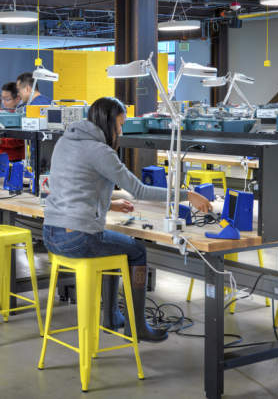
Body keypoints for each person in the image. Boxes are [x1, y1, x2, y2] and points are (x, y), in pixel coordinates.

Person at [42, 97, 211, 342]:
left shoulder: (64, 142)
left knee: (113, 247)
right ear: (108, 121)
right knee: (137, 250)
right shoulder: (100, 151)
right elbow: (139, 190)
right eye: (120, 124)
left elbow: (72, 188)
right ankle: (137, 326)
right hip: (78, 237)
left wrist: (109, 204)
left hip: (51, 234)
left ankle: (112, 316)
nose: (120, 131)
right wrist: (188, 195)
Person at [0, 83, 25, 162]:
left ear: (17, 99)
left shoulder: (22, 115)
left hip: (16, 159)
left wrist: (1, 142)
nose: (4, 102)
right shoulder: (0, 113)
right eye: (2, 99)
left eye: (7, 99)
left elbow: (22, 139)